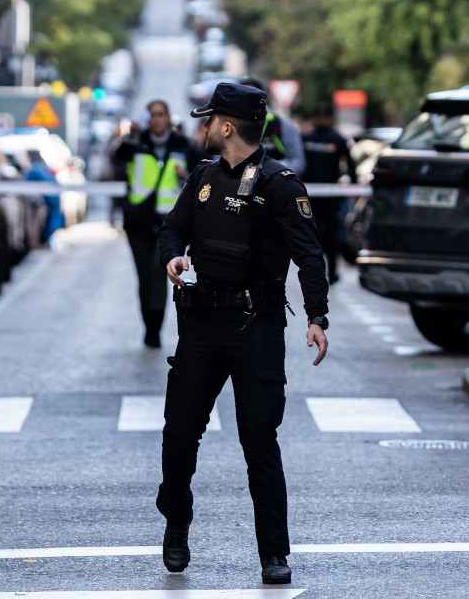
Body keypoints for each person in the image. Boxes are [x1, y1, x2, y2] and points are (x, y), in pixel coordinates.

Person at [155, 82, 329, 585]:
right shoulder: (203, 177)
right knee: (180, 433)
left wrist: (316, 317)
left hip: (256, 326)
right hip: (203, 326)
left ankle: (274, 554)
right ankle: (176, 526)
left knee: (259, 438)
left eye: (208, 120)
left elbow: (308, 255)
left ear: (227, 127)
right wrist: (173, 256)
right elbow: (171, 229)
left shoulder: (280, 184)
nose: (203, 127)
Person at [112, 100, 189, 347]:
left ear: (168, 118)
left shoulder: (183, 145)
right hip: (138, 221)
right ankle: (148, 323)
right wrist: (130, 137)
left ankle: (154, 330)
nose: (156, 119)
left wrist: (184, 177)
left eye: (160, 114)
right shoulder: (137, 142)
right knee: (144, 278)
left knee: (159, 275)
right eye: (152, 115)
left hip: (168, 223)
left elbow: (199, 177)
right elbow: (117, 156)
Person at [301, 102, 356, 284]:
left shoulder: (309, 139)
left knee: (317, 235)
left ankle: (324, 273)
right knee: (326, 236)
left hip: (318, 196)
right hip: (321, 195)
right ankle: (327, 274)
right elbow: (351, 166)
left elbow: (350, 165)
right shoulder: (335, 139)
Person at [238, 76, 305, 176]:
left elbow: (298, 161)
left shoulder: (282, 125)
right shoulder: (231, 126)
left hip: (274, 187)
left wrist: (275, 176)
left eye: (252, 96)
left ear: (262, 98)